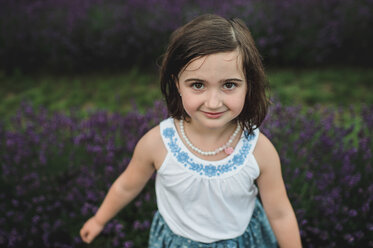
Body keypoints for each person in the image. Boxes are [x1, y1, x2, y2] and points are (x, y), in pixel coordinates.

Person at [80, 14, 302, 247]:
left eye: (229, 85)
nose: (214, 102)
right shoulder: (158, 144)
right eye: (198, 85)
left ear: (248, 85)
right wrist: (99, 219)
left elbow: (279, 212)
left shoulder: (259, 150)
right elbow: (127, 185)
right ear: (177, 84)